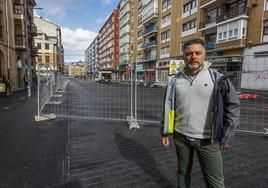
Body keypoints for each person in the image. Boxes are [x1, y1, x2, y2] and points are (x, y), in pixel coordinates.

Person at [161, 38, 240, 188]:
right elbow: (167, 106)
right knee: (183, 173)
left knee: (215, 182)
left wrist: (228, 134)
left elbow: (233, 106)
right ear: (183, 56)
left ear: (205, 55)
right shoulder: (174, 80)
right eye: (189, 53)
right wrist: (165, 130)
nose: (194, 56)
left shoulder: (217, 78)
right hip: (181, 137)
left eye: (198, 53)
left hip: (208, 141)